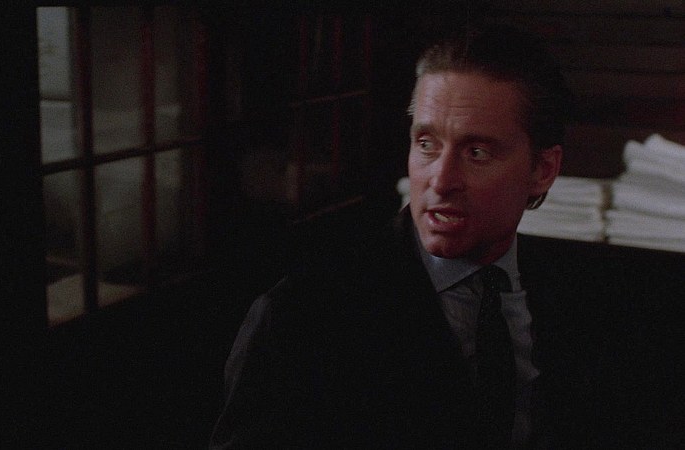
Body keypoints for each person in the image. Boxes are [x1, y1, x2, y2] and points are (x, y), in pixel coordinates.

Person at [209, 24, 641, 449]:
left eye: (477, 152)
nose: (442, 180)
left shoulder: (585, 302)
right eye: (427, 144)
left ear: (543, 170)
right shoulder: (301, 319)